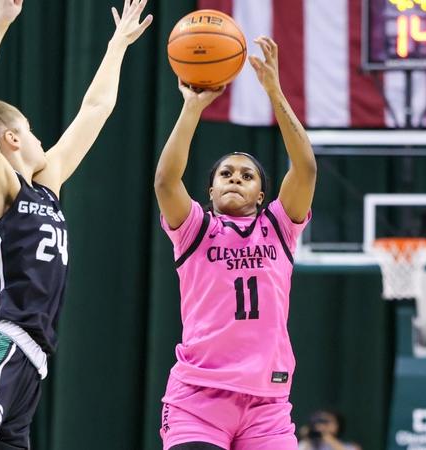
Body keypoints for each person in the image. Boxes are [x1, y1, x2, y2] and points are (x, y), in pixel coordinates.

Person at [0, 0, 152, 449]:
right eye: (34, 129)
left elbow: (96, 108)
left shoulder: (46, 185)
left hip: (28, 364)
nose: (44, 138)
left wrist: (117, 46)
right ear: (13, 137)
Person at [155, 36, 317, 450]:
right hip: (198, 398)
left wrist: (274, 92)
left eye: (247, 176)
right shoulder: (194, 229)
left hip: (268, 403)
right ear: (209, 190)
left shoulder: (279, 227)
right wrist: (192, 108)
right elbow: (164, 181)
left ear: (262, 196)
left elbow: (306, 168)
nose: (235, 179)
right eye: (226, 173)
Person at [297, 410, 362, 450]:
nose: (322, 425)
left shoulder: (350, 446)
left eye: (326, 422)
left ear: (337, 425)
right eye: (319, 421)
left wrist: (326, 436)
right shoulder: (310, 443)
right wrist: (306, 437)